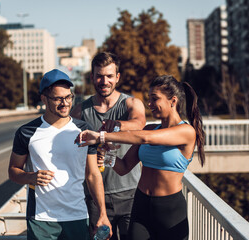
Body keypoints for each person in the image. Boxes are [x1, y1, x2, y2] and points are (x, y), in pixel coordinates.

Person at [75, 75, 206, 240]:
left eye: (154, 99)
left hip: (170, 210)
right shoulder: (150, 128)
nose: (149, 104)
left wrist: (101, 136)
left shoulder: (186, 132)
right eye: (149, 99)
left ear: (173, 101)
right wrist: (108, 155)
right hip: (140, 205)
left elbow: (145, 138)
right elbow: (123, 168)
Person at [8, 69, 112, 240]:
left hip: (77, 215)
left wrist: (102, 213)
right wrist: (31, 177)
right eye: (58, 99)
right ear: (44, 99)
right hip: (41, 219)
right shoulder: (26, 132)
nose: (65, 103)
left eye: (68, 97)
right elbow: (13, 171)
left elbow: (93, 175)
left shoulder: (84, 131)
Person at [71, 52, 146, 240]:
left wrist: (116, 126)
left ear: (117, 77)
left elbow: (139, 124)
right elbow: (69, 147)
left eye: (109, 76)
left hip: (130, 195)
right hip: (96, 199)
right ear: (92, 77)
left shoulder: (131, 104)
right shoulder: (80, 111)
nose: (104, 81)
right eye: (99, 76)